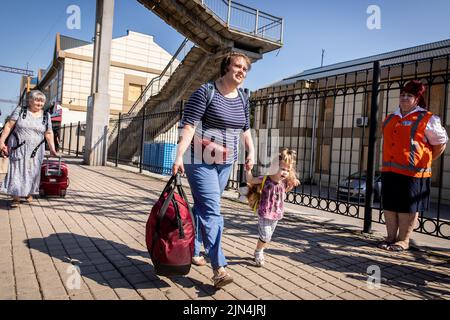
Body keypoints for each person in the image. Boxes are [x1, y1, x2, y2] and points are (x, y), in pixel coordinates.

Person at [172, 52, 255, 289]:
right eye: (237, 66)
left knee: (202, 207)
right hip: (200, 161)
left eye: (245, 68)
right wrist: (179, 155)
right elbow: (188, 127)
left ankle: (193, 248)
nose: (241, 71)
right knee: (212, 211)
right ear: (225, 68)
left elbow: (246, 129)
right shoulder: (206, 92)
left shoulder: (243, 98)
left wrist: (251, 152)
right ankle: (219, 268)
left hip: (226, 162)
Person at [379, 80, 448, 252]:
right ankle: (390, 237)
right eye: (402, 95)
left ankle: (403, 240)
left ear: (417, 99)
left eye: (409, 95)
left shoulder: (427, 118)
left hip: (413, 174)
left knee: (406, 207)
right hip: (390, 170)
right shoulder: (391, 117)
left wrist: (427, 160)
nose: (404, 98)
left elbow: (440, 142)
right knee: (389, 205)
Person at [0, 90, 58, 208]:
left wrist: (52, 148)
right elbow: (9, 125)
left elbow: (48, 132)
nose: (39, 103)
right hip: (19, 147)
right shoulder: (21, 111)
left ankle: (27, 193)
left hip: (36, 150)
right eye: (37, 100)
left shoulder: (46, 116)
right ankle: (16, 196)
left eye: (42, 101)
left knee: (33, 172)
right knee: (17, 170)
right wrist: (1, 141)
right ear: (30, 100)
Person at [246, 148, 300, 266]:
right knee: (265, 235)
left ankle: (260, 250)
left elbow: (284, 192)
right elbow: (250, 180)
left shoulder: (284, 182)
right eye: (282, 169)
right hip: (265, 212)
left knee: (268, 237)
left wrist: (292, 184)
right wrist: (248, 170)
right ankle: (259, 252)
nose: (285, 172)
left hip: (276, 213)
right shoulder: (265, 179)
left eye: (287, 170)